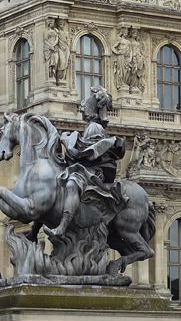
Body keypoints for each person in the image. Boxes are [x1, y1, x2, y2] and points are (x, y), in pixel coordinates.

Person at [45, 86, 125, 237]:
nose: (81, 111)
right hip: (88, 168)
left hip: (93, 172)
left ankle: (63, 225)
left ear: (90, 111)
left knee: (72, 183)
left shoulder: (94, 127)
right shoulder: (91, 127)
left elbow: (89, 152)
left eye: (84, 109)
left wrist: (69, 143)